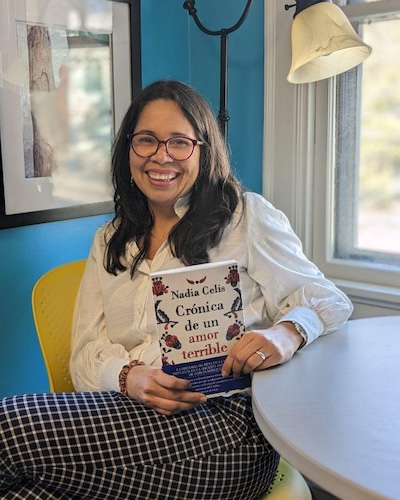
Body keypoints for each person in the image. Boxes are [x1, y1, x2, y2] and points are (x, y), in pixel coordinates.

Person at [0, 80, 353, 499]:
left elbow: (329, 300)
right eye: (146, 140)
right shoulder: (109, 239)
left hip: (227, 430)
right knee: (25, 491)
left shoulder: (246, 216)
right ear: (128, 149)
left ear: (203, 151)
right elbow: (81, 357)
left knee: (7, 426)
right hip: (127, 418)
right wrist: (128, 376)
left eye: (180, 143)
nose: (160, 156)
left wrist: (287, 332)